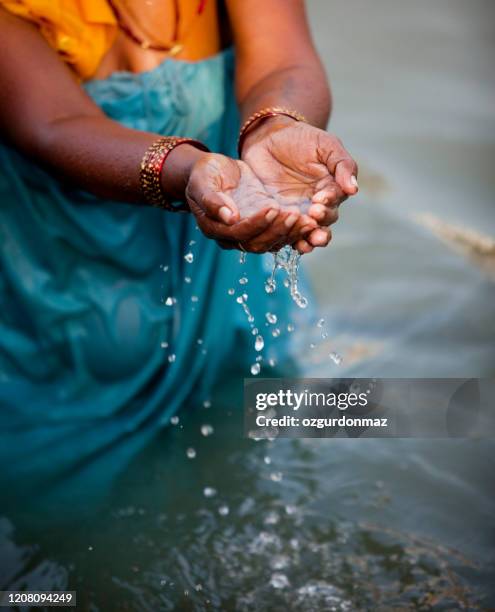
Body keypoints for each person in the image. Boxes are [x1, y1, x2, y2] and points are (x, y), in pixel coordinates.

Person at [0, 0, 358, 495]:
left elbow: (284, 60)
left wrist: (279, 126)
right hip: (70, 329)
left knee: (268, 447)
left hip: (234, 294)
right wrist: (187, 171)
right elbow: (53, 124)